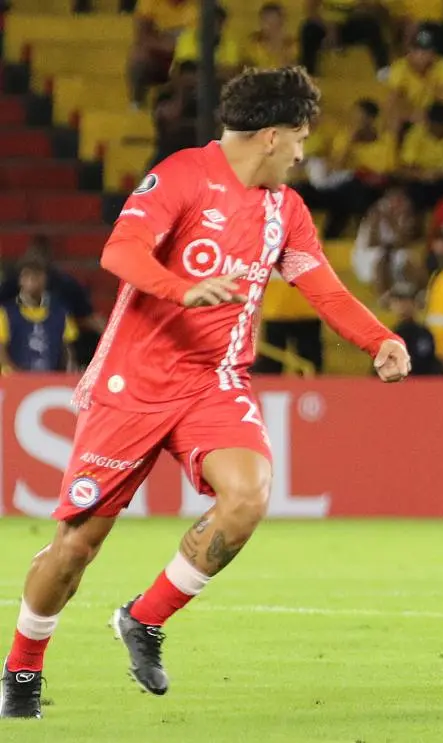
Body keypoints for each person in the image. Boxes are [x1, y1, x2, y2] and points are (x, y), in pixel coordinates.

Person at [0, 66, 411, 720]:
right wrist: (180, 288)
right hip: (132, 384)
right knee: (76, 546)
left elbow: (323, 286)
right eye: (300, 138)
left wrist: (377, 339)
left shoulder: (286, 209)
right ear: (271, 136)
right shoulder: (183, 175)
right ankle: (22, 665)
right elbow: (120, 251)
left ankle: (144, 617)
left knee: (247, 496)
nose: (305, 153)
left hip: (215, 382)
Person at [0, 255, 78, 374]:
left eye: (37, 274)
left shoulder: (61, 313)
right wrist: (16, 375)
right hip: (14, 383)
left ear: (45, 279)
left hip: (49, 384)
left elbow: (68, 348)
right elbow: (1, 350)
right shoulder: (5, 313)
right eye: (27, 275)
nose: (32, 278)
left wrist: (70, 369)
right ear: (20, 280)